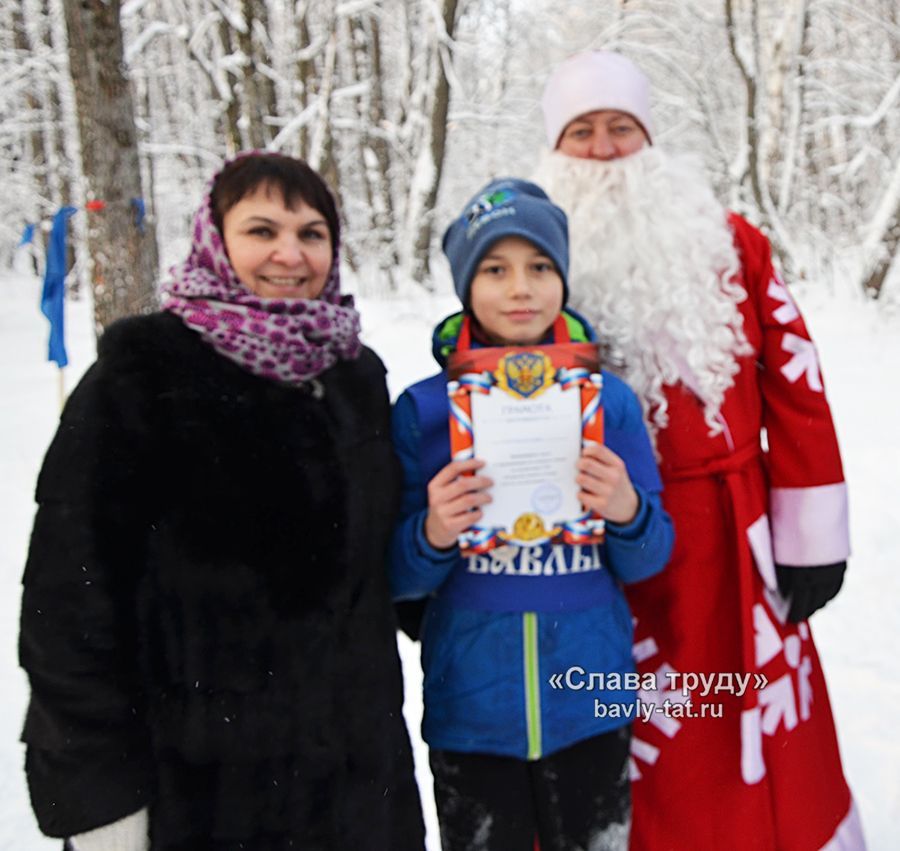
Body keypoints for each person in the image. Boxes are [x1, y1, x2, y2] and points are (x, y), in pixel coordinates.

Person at [19, 152, 425, 851]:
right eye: (262, 230)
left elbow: (377, 576)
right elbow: (68, 605)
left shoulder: (355, 376)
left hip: (358, 788)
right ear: (216, 238)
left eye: (312, 233)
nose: (289, 254)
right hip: (205, 795)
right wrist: (98, 798)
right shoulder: (140, 379)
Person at [534, 51, 864, 850]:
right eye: (583, 132)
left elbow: (795, 384)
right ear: (554, 149)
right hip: (598, 548)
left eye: (622, 128)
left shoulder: (730, 242)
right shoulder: (529, 259)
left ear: (651, 140)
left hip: (730, 535)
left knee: (738, 727)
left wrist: (810, 536)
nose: (606, 148)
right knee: (628, 735)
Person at [389, 178, 674, 851]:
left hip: (592, 702)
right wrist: (432, 531)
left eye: (540, 267)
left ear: (563, 278)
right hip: (471, 710)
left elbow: (654, 554)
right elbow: (395, 580)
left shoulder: (612, 402)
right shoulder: (425, 410)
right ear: (465, 286)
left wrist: (626, 508)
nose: (521, 288)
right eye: (495, 269)